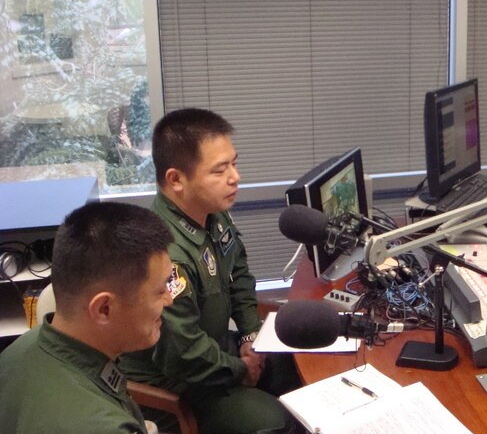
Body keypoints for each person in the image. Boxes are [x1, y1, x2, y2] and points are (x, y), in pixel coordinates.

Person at [119, 108, 299, 434]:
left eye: (234, 163)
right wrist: (239, 369)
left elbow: (239, 276)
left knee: (294, 366)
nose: (235, 177)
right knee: (279, 422)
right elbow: (183, 354)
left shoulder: (210, 212)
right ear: (176, 179)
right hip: (177, 383)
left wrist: (249, 336)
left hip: (216, 351)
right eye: (219, 170)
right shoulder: (165, 256)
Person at [0, 202, 174, 433]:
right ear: (103, 308)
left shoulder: (21, 349)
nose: (169, 299)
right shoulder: (102, 426)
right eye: (160, 291)